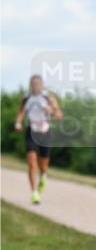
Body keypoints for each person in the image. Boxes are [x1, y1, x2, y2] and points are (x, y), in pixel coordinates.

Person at [13, 75, 62, 205]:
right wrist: (17, 123)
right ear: (30, 85)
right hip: (31, 132)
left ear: (41, 85)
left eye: (38, 84)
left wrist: (50, 110)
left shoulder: (48, 97)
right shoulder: (26, 98)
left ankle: (43, 175)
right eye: (33, 84)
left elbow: (59, 115)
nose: (35, 86)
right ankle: (34, 192)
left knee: (43, 164)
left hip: (45, 132)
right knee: (31, 162)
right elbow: (21, 112)